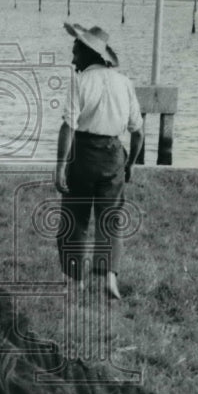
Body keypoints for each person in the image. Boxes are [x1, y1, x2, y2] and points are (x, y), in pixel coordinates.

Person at [54, 23, 143, 299]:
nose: (73, 60)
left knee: (75, 218)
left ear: (87, 53)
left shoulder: (80, 82)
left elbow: (68, 126)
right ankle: (109, 277)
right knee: (110, 219)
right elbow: (138, 132)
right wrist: (130, 164)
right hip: (113, 155)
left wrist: (60, 167)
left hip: (82, 154)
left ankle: (76, 280)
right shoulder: (124, 83)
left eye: (75, 53)